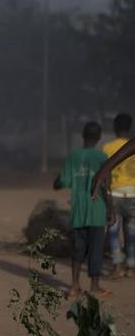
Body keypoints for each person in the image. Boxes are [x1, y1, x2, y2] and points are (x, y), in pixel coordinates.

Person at [53, 122, 114, 298]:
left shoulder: (73, 156)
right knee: (96, 248)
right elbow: (106, 187)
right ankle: (95, 286)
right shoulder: (102, 157)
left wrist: (56, 182)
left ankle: (73, 285)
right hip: (97, 209)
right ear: (99, 136)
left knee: (78, 248)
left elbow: (62, 181)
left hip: (78, 209)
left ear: (82, 135)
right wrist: (112, 210)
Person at [102, 113, 134, 279]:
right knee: (131, 230)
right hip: (133, 193)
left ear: (115, 127)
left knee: (113, 230)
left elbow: (105, 173)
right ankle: (131, 266)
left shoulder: (107, 147)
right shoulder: (133, 145)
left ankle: (117, 266)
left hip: (114, 192)